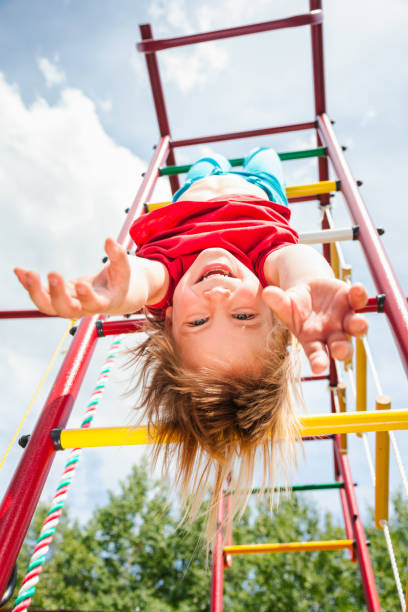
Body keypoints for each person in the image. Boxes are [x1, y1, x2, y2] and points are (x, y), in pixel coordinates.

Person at [14, 148, 368, 541]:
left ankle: (211, 165)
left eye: (198, 321)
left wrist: (117, 294)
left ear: (167, 317)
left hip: (192, 193)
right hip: (261, 189)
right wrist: (309, 283)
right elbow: (295, 261)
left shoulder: (168, 278)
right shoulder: (267, 264)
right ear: (273, 309)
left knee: (205, 163)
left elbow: (140, 281)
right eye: (244, 316)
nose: (218, 297)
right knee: (265, 157)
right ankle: (253, 161)